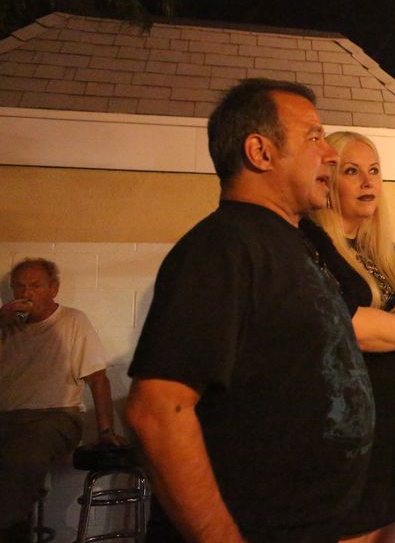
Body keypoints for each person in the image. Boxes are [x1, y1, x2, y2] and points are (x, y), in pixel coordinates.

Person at [125, 79, 375, 543]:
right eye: (314, 138)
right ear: (260, 152)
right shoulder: (223, 247)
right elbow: (158, 411)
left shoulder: (292, 245)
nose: (330, 154)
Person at [310, 131, 395, 543]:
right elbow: (352, 328)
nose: (368, 182)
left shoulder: (385, 254)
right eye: (352, 171)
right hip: (345, 435)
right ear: (329, 179)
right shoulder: (314, 245)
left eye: (374, 171)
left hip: (394, 427)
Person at [0, 258, 125, 543]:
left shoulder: (72, 321)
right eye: (19, 286)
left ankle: (7, 529)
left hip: (54, 416)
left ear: (53, 289)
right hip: (6, 417)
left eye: (35, 286)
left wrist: (106, 430)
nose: (26, 293)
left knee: (23, 453)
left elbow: (98, 378)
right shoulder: (5, 325)